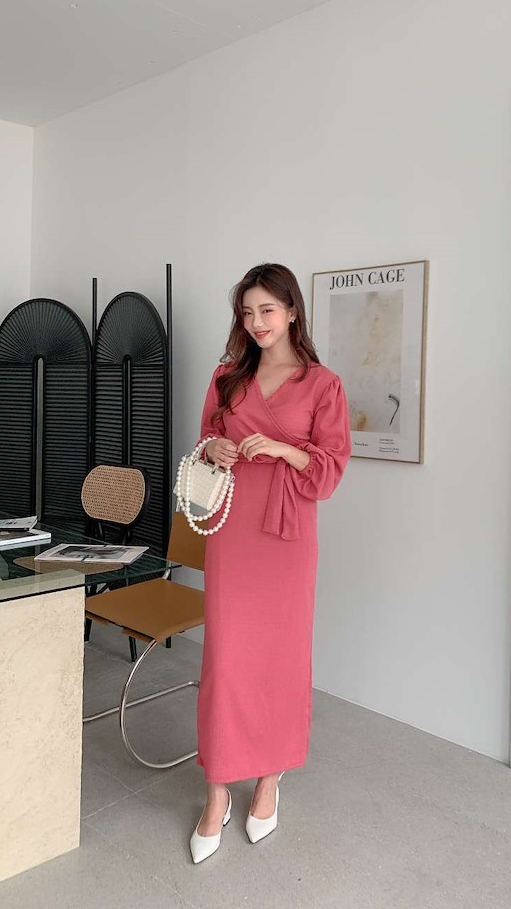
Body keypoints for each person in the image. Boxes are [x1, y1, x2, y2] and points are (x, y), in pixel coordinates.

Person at [188, 262, 351, 864]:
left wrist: (284, 448)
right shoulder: (227, 376)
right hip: (233, 528)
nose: (257, 322)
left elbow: (330, 469)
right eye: (247, 312)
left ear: (292, 312)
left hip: (287, 537)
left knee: (280, 658)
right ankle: (216, 791)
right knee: (226, 659)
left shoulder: (323, 384)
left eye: (267, 310)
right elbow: (204, 441)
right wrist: (215, 446)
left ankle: (268, 779)